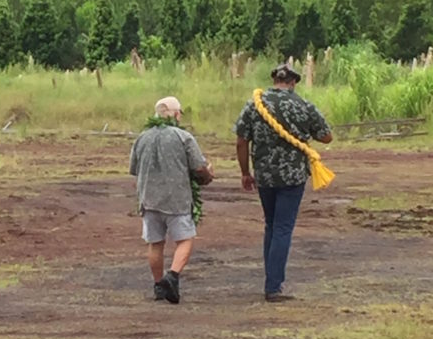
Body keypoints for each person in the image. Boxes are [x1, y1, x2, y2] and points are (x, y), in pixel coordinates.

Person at [235, 64, 332, 302]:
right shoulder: (303, 105)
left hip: (265, 175)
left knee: (271, 225)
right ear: (294, 82)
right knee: (282, 228)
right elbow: (326, 136)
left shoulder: (255, 105)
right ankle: (273, 286)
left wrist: (245, 172)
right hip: (293, 176)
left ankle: (272, 281)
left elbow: (241, 141)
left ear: (274, 80)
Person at [129, 95, 214, 304]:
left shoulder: (141, 138)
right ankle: (172, 276)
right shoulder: (182, 137)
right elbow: (198, 167)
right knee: (185, 239)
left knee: (155, 243)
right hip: (176, 198)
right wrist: (208, 174)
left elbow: (134, 169)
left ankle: (159, 286)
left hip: (148, 199)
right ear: (176, 115)